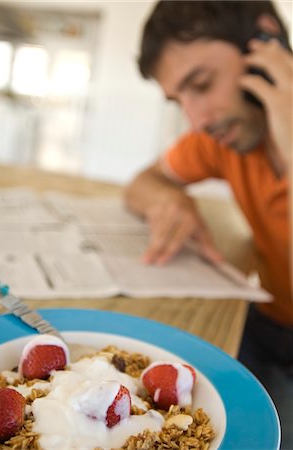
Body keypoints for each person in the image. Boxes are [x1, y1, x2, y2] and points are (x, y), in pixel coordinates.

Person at [124, 1, 293, 448]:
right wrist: (168, 199)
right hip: (266, 322)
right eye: (181, 99)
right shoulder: (229, 136)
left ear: (266, 40)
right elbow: (142, 182)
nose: (197, 119)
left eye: (202, 84)